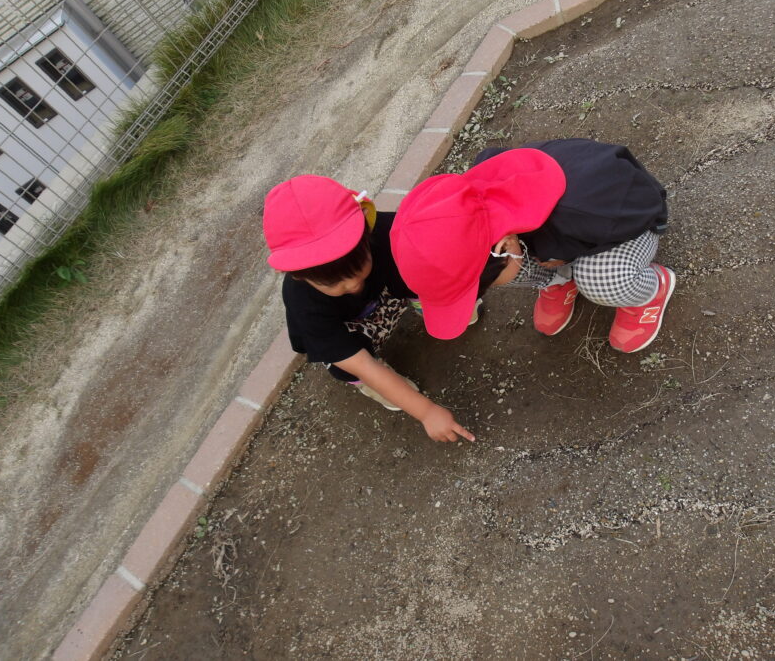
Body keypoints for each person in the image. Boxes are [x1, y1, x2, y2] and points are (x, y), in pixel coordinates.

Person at [390, 138, 675, 350]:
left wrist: (569, 253)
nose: (485, 292)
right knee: (503, 270)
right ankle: (560, 281)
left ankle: (650, 291)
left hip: (631, 225)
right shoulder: (474, 207)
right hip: (562, 232)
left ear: (504, 243)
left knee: (598, 279)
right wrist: (556, 251)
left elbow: (643, 210)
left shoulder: (584, 210)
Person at [262, 175, 475, 444]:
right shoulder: (302, 302)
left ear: (366, 227)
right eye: (334, 283)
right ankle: (375, 386)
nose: (352, 284)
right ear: (298, 276)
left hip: (385, 295)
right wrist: (425, 410)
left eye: (359, 266)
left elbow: (433, 246)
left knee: (412, 263)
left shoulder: (385, 230)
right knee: (346, 365)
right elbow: (360, 363)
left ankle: (431, 305)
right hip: (351, 328)